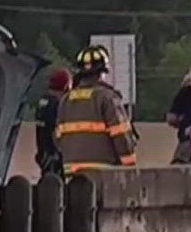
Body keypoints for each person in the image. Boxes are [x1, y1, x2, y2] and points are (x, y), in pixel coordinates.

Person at [56, 44, 139, 173]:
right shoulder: (107, 98)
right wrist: (130, 168)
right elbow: (120, 135)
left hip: (72, 174)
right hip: (104, 175)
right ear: (102, 73)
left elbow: (58, 138)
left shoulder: (65, 100)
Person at [34, 67, 71, 177]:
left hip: (44, 154)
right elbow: (56, 130)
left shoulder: (43, 101)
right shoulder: (57, 104)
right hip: (54, 157)